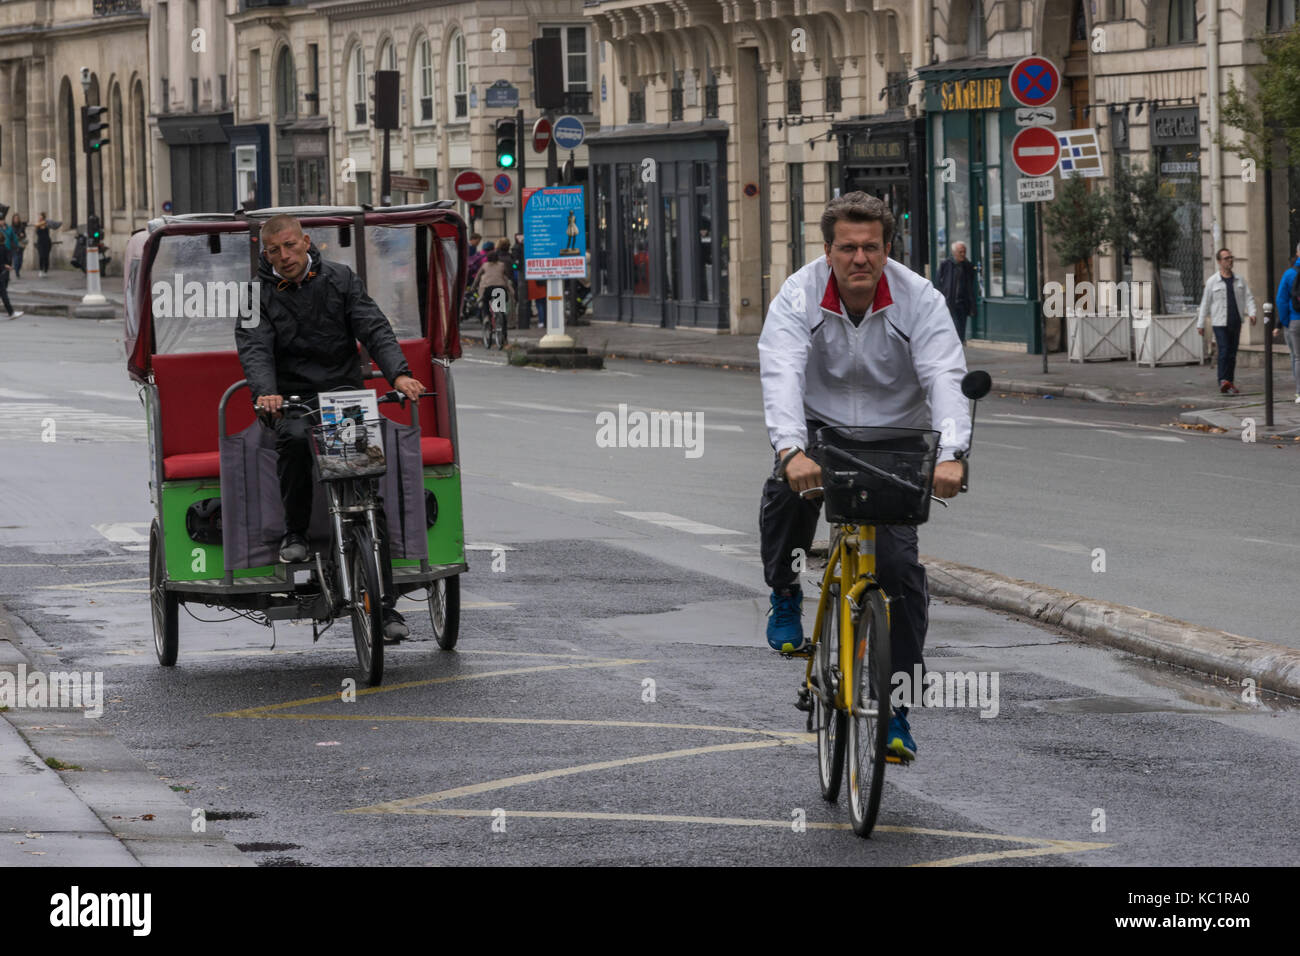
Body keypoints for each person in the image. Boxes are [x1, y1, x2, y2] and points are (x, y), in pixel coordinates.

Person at [758, 191, 970, 762]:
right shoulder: (799, 295)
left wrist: (952, 453)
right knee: (788, 492)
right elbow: (781, 370)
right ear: (827, 250)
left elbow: (946, 373)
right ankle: (783, 591)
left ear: (887, 248)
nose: (860, 258)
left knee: (900, 570)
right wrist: (790, 449)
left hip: (897, 438)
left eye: (871, 247)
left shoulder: (918, 297)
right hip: (819, 428)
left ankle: (897, 709)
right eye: (847, 248)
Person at [234, 214, 423, 641]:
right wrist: (265, 392)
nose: (283, 256)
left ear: (306, 242)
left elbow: (373, 327)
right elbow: (254, 347)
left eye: (289, 246)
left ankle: (387, 607)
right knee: (296, 440)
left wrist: (398, 375)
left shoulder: (340, 278)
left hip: (342, 397)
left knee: (368, 505)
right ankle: (294, 532)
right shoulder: (253, 295)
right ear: (265, 254)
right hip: (292, 400)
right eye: (274, 251)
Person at [1197, 247, 1256, 395]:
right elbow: (1205, 303)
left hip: (1235, 321)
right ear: (1219, 262)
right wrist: (1200, 323)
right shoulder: (1212, 281)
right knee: (1223, 350)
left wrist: (1252, 313)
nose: (1230, 260)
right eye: (1226, 258)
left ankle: (1230, 382)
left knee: (1232, 353)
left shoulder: (1239, 280)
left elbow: (1249, 297)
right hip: (1219, 322)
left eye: (1231, 257)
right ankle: (1223, 380)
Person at [936, 241, 976, 343]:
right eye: (960, 252)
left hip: (962, 303)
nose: (963, 254)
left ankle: (959, 350)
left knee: (960, 331)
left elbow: (970, 287)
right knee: (950, 330)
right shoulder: (946, 265)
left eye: (964, 252)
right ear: (954, 253)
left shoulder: (968, 266)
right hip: (949, 302)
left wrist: (972, 305)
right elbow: (938, 283)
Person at [1275, 242, 1300, 404]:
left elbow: (1281, 300)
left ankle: (1299, 392)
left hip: (1295, 320)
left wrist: (1285, 322)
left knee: (1297, 357)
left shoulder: (1290, 274)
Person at [470, 250, 516, 325]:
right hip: (500, 287)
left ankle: (486, 317)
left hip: (488, 288)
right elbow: (506, 276)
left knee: (485, 301)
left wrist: (473, 287)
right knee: (501, 306)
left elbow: (477, 277)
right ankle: (503, 327)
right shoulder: (502, 265)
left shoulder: (484, 265)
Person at [0, 238, 24, 319]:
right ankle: (11, 313)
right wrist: (4, 266)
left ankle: (11, 312)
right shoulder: (2, 248)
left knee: (3, 294)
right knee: (4, 294)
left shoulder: (3, 247)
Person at [4, 214, 26, 280]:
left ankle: (18, 269)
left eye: (17, 218)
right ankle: (16, 271)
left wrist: (23, 235)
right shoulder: (11, 227)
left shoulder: (22, 227)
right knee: (16, 259)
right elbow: (9, 236)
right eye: (15, 218)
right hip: (13, 245)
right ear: (13, 219)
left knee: (20, 260)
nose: (16, 219)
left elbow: (24, 235)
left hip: (20, 244)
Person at [34, 213, 52, 277]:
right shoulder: (37, 225)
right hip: (40, 243)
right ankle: (41, 270)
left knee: (46, 257)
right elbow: (36, 231)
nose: (40, 218)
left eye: (41, 217)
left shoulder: (46, 224)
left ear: (43, 218)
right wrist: (39, 225)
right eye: (39, 217)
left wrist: (44, 224)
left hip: (47, 242)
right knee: (41, 256)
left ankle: (46, 270)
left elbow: (49, 227)